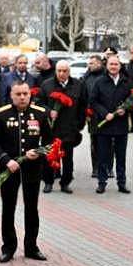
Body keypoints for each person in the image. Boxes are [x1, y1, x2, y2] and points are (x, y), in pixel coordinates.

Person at [0, 81, 53, 262]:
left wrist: (39, 152)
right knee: (8, 208)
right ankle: (8, 247)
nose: (22, 97)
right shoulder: (2, 114)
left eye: (25, 93)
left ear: (30, 94)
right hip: (9, 169)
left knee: (32, 208)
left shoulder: (41, 114)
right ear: (11, 95)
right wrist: (5, 160)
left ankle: (31, 247)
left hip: (32, 169)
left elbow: (50, 142)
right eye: (18, 94)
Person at [39, 59, 87, 193]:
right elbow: (38, 103)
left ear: (69, 72)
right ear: (55, 71)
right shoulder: (47, 85)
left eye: (64, 71)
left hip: (69, 129)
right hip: (51, 128)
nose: (61, 73)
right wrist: (49, 111)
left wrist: (79, 125)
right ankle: (48, 182)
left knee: (68, 159)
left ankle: (65, 183)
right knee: (49, 157)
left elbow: (83, 106)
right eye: (59, 71)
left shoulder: (78, 85)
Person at [89, 54, 133, 194]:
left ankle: (122, 183)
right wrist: (104, 113)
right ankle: (102, 183)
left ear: (120, 66)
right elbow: (93, 101)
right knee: (103, 155)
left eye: (116, 64)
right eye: (111, 64)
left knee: (121, 156)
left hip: (121, 125)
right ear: (106, 66)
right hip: (104, 125)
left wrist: (125, 110)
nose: (113, 67)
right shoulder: (99, 81)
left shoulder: (126, 82)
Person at [82, 54, 106, 177]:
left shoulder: (106, 76)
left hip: (106, 115)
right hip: (93, 116)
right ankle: (95, 168)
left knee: (108, 143)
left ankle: (108, 167)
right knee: (94, 143)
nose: (89, 66)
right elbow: (84, 96)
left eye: (92, 63)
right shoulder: (87, 78)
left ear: (99, 63)